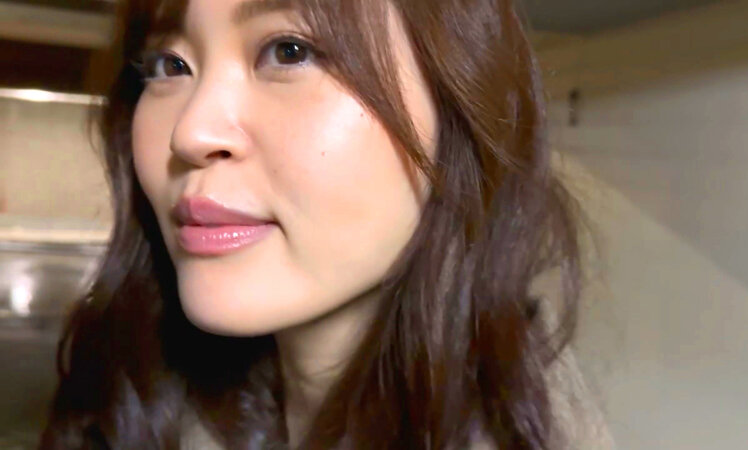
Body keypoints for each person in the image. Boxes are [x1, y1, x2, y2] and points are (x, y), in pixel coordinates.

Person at [40, 0, 610, 448]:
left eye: (289, 51)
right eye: (169, 65)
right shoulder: (137, 391)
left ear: (460, 107)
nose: (189, 133)